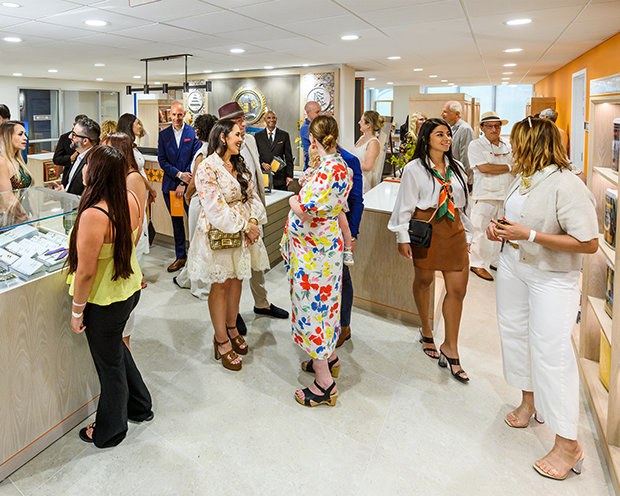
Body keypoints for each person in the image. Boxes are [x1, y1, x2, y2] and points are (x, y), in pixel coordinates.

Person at [486, 117, 598, 480]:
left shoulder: (567, 184)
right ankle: (529, 401)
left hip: (551, 276)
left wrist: (530, 235)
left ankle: (568, 443)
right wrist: (498, 229)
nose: (511, 148)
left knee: (552, 352)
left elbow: (588, 243)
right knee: (515, 334)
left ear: (533, 144)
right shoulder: (524, 178)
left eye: (517, 142)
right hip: (514, 265)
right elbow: (516, 219)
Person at [66, 145, 153, 448]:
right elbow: (132, 241)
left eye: (87, 163)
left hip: (104, 300)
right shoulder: (129, 199)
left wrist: (77, 312)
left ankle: (111, 429)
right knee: (117, 351)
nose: (83, 168)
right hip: (127, 289)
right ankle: (140, 405)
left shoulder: (94, 214)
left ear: (96, 172)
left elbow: (86, 273)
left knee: (109, 366)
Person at [388, 118, 471, 382]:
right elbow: (404, 205)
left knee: (457, 289)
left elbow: (464, 204)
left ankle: (451, 347)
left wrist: (469, 233)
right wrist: (402, 237)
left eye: (448, 134)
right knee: (424, 281)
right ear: (426, 138)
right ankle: (426, 329)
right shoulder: (414, 168)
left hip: (454, 229)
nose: (447, 139)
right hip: (426, 229)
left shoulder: (457, 167)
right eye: (440, 134)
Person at [281, 115, 353, 407]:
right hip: (321, 250)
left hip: (315, 255)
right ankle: (329, 358)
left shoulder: (328, 170)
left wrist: (292, 200)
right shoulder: (338, 166)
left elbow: (305, 209)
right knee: (326, 307)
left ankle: (325, 384)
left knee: (314, 311)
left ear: (312, 139)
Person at [186, 119, 269, 371]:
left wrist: (253, 219)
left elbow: (251, 196)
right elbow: (215, 208)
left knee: (236, 280)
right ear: (223, 137)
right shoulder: (207, 167)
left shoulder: (238, 163)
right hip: (219, 233)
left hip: (242, 231)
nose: (241, 138)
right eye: (237, 134)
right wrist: (246, 226)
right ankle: (220, 339)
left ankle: (232, 328)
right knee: (220, 284)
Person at [218, 102, 289, 335]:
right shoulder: (217, 151)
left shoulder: (249, 140)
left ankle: (262, 303)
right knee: (234, 269)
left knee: (257, 262)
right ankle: (232, 313)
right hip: (234, 219)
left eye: (243, 120)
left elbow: (256, 175)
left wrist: (257, 214)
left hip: (254, 212)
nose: (244, 125)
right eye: (238, 122)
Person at [100, 133, 148, 350]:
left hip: (129, 246)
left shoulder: (132, 178)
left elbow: (135, 221)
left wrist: (123, 249)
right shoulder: (119, 175)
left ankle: (125, 351)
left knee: (125, 303)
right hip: (120, 246)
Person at [174, 113, 218, 299]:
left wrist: (187, 195)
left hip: (198, 201)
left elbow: (195, 182)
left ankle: (198, 283)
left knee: (196, 241)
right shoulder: (216, 150)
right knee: (205, 242)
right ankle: (190, 277)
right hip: (210, 202)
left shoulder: (202, 152)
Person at [467, 112, 513, 281]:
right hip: (485, 194)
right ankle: (476, 263)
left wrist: (506, 167)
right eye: (489, 126)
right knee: (479, 230)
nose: (494, 129)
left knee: (500, 230)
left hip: (505, 194)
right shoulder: (476, 145)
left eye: (497, 126)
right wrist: (509, 167)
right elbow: (484, 168)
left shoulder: (507, 145)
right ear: (482, 128)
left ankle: (495, 261)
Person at [157, 101, 201, 273]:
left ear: (185, 115)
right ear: (170, 115)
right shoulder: (164, 135)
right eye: (174, 114)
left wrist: (184, 182)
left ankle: (197, 258)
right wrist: (178, 175)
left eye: (180, 114)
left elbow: (195, 159)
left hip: (189, 188)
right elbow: (162, 160)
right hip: (172, 187)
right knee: (177, 223)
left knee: (195, 222)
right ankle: (181, 257)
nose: (176, 118)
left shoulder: (192, 133)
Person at [301, 146, 354, 265]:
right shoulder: (311, 172)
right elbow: (303, 182)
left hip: (335, 205)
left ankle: (348, 249)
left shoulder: (334, 169)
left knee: (345, 225)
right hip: (319, 208)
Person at [335, 143, 364, 347]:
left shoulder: (350, 160)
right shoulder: (315, 156)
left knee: (343, 278)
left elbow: (356, 201)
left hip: (339, 231)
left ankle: (344, 325)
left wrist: (351, 236)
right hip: (316, 235)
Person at [57, 117, 100, 195]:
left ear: (85, 141)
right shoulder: (79, 155)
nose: (70, 136)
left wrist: (66, 196)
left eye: (74, 135)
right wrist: (64, 192)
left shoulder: (93, 162)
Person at [255, 110, 295, 190]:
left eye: (273, 118)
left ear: (276, 119)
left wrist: (289, 176)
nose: (271, 120)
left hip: (280, 178)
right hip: (264, 177)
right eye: (269, 118)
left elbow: (288, 157)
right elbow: (255, 155)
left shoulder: (284, 135)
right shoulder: (258, 136)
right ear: (265, 120)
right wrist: (262, 163)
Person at [441, 101, 475, 184]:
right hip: (452, 176)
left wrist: (463, 179)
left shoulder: (465, 129)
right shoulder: (450, 128)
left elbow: (466, 159)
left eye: (445, 112)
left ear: (457, 114)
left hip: (461, 178)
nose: (442, 114)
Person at [352, 110, 384, 194]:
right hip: (355, 179)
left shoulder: (373, 143)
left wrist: (350, 161)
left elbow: (368, 166)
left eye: (361, 121)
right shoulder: (361, 138)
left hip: (363, 183)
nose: (359, 122)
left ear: (368, 125)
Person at [0, 121, 32, 192]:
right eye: (20, 134)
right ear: (7, 137)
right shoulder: (2, 162)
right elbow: (7, 197)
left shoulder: (17, 159)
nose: (25, 138)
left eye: (25, 134)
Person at [300, 101, 322, 169]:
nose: (320, 114)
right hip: (313, 165)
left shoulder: (316, 125)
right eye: (317, 112)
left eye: (320, 111)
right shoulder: (306, 128)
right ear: (308, 112)